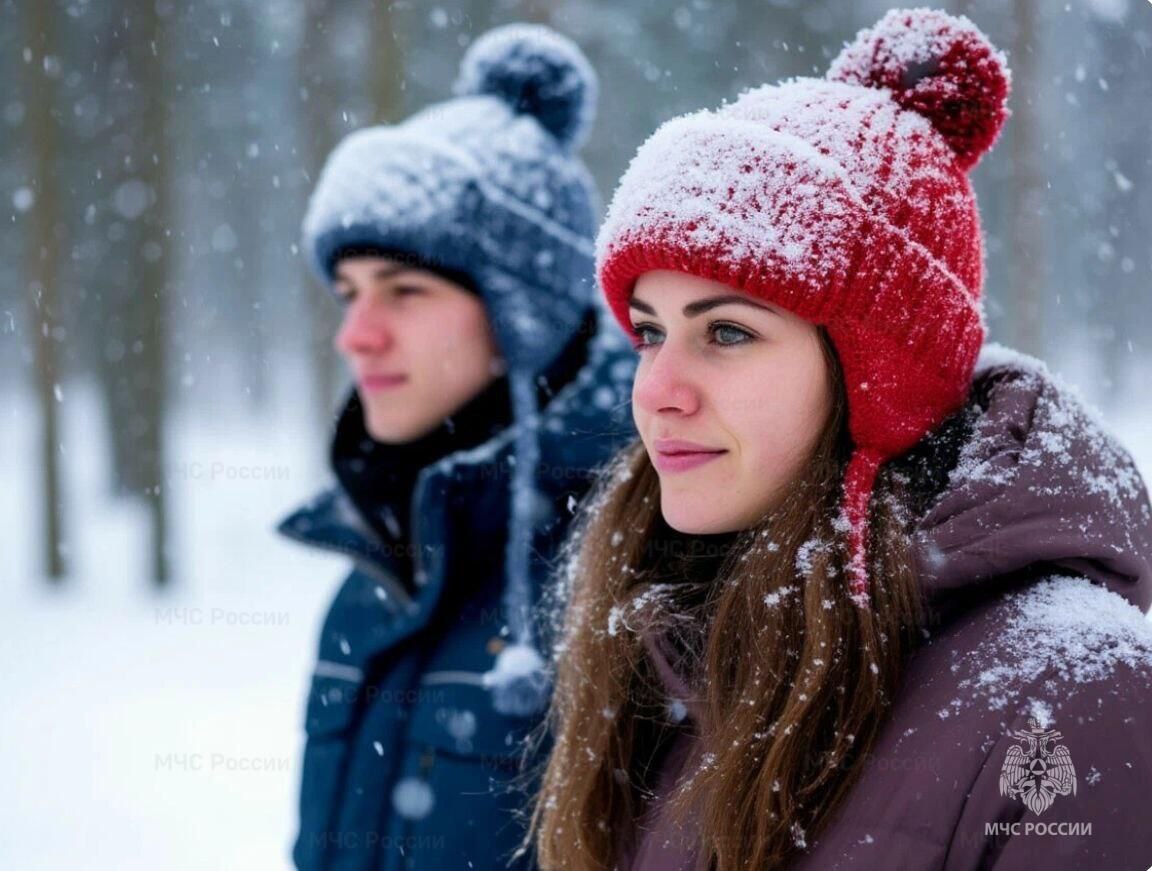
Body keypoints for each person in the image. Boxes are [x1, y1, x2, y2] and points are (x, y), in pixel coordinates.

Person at [530, 9, 1152, 870]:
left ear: (879, 379)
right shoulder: (679, 649)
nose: (658, 391)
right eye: (650, 332)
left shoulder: (1071, 694)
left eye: (727, 333)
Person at [277, 23, 635, 871]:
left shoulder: (632, 578)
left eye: (402, 291)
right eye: (348, 293)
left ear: (527, 316)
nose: (355, 336)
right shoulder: (371, 582)